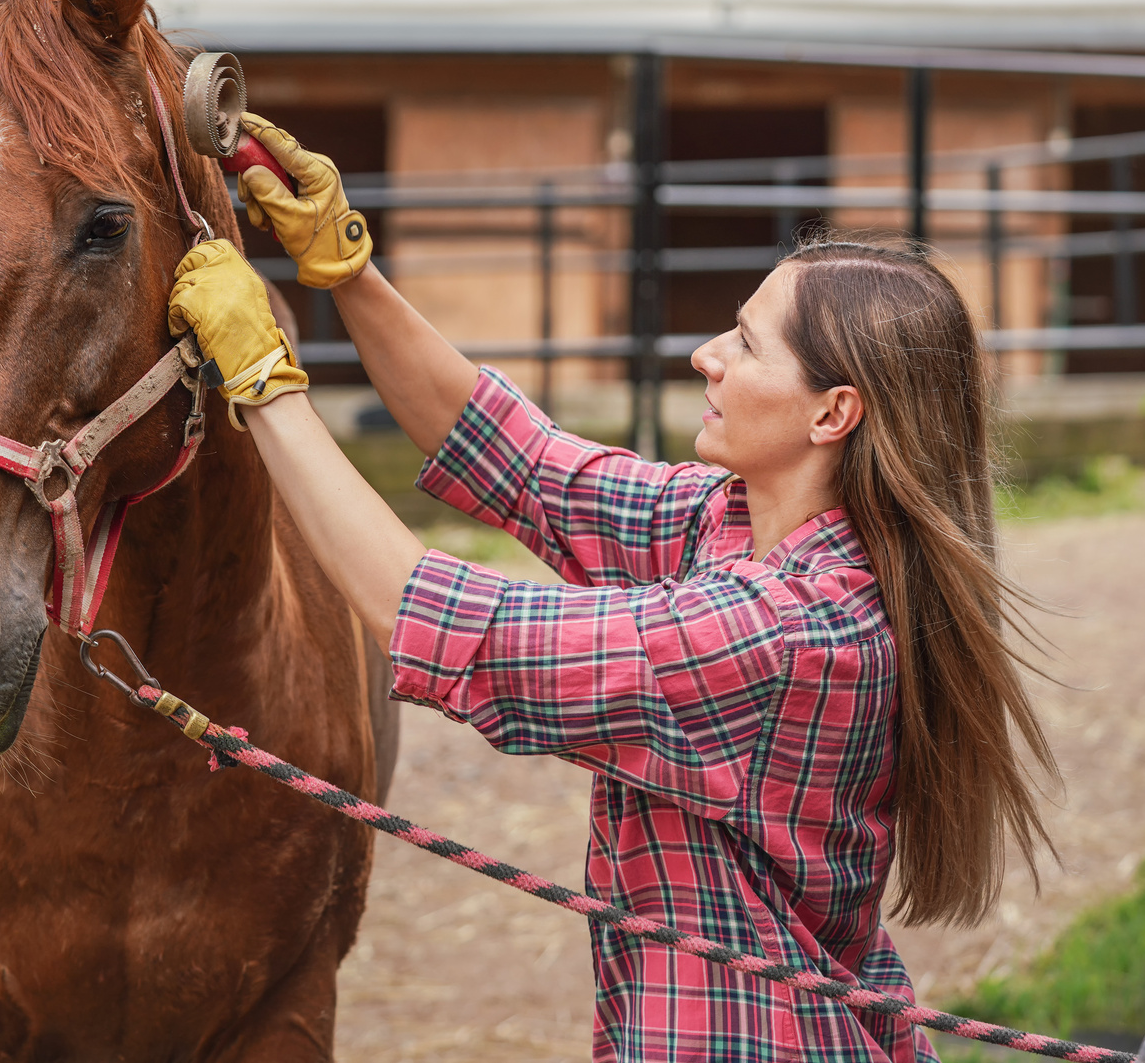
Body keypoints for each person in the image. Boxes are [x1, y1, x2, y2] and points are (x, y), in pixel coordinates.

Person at [166, 114, 1058, 1062]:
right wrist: (347, 270)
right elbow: (521, 458)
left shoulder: (789, 631)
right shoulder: (729, 524)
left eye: (748, 347)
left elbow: (449, 623)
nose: (707, 355)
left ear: (834, 413)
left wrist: (264, 381)